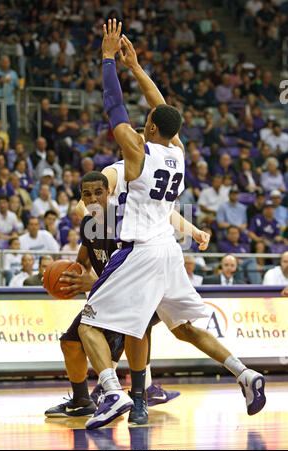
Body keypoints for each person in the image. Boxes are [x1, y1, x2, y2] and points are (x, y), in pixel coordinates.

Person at [76, 22, 266, 430]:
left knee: (89, 325)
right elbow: (160, 106)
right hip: (169, 251)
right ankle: (245, 374)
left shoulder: (137, 153)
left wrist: (109, 60)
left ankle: (111, 392)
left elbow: (114, 104)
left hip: (141, 250)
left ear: (149, 128)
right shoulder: (179, 151)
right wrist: (139, 67)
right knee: (185, 329)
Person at [45, 171, 183, 419]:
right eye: (87, 194)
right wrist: (69, 275)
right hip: (106, 298)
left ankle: (135, 398)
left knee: (129, 339)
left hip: (139, 297)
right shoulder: (89, 224)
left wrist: (92, 282)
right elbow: (83, 260)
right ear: (82, 198)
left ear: (109, 193)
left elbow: (134, 275)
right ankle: (81, 401)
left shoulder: (124, 224)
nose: (93, 198)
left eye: (99, 191)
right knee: (70, 343)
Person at [0, 56, 19, 146]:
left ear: (9, 63)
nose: (6, 64)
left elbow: (17, 86)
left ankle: (13, 144)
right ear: (1, 63)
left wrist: (19, 86)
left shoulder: (13, 73)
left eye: (7, 62)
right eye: (4, 62)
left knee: (14, 122)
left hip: (10, 101)